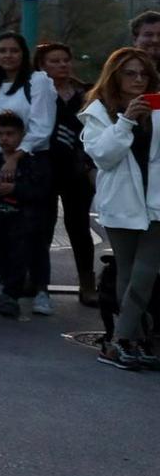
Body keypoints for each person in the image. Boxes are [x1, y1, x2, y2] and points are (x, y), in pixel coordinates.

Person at [79, 47, 160, 369]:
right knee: (128, 271)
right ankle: (131, 341)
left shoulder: (157, 107)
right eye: (130, 73)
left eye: (144, 73)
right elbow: (103, 156)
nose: (138, 79)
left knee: (146, 270)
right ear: (115, 76)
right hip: (122, 202)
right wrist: (126, 121)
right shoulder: (99, 111)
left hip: (155, 202)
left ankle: (119, 340)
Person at [36, 41, 98, 305]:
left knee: (79, 226)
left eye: (65, 60)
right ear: (42, 66)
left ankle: (87, 283)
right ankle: (39, 285)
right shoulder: (37, 92)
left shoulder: (86, 93)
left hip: (77, 168)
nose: (62, 65)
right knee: (42, 226)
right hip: (45, 166)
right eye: (54, 61)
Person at [0, 110, 50, 320]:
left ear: (21, 135)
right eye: (0, 134)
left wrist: (14, 189)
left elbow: (41, 191)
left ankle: (11, 296)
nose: (4, 139)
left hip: (22, 223)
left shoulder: (32, 161)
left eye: (10, 134)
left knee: (17, 259)